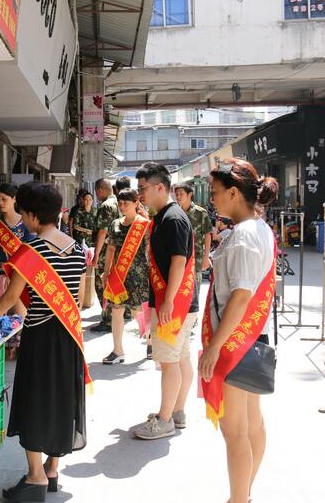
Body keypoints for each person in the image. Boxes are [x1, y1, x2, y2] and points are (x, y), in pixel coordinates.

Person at [0, 182, 88, 503]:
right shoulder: (77, 248)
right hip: (69, 336)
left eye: (23, 214)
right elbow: (77, 298)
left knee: (34, 401)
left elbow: (10, 297)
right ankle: (51, 469)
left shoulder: (32, 250)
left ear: (34, 216)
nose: (22, 220)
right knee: (62, 399)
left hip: (40, 336)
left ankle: (35, 477)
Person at [198, 158, 278, 503]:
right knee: (252, 424)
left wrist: (214, 347)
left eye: (215, 192)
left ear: (233, 193)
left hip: (236, 343)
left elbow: (242, 296)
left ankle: (238, 498)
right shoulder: (259, 228)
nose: (212, 198)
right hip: (253, 339)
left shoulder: (244, 236)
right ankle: (244, 494)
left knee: (235, 432)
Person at [132, 162, 196, 440]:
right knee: (180, 358)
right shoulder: (163, 216)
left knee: (169, 362)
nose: (139, 194)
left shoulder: (173, 219)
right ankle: (177, 411)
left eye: (143, 188)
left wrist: (168, 301)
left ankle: (165, 420)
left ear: (160, 187)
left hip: (175, 305)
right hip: (179, 302)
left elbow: (179, 261)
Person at [101, 188, 150, 364]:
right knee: (116, 310)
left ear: (136, 203)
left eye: (126, 203)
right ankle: (118, 350)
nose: (122, 207)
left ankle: (151, 341)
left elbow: (150, 251)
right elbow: (110, 249)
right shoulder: (115, 224)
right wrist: (106, 272)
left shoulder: (144, 225)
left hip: (138, 275)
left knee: (138, 311)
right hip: (118, 274)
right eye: (120, 203)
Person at [0, 183, 31, 316]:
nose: (0, 203)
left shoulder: (25, 222)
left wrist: (14, 275)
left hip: (18, 276)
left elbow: (28, 253)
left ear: (14, 199)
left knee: (21, 317)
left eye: (4, 199)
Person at [174, 182, 213, 338]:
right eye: (177, 194)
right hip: (179, 259)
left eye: (181, 194)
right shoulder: (175, 212)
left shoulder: (200, 212)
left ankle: (190, 322)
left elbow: (208, 234)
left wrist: (206, 257)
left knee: (193, 290)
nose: (178, 197)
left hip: (195, 260)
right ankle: (181, 318)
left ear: (190, 195)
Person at [92, 178, 121, 332]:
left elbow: (102, 231)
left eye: (97, 192)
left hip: (105, 251)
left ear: (100, 190)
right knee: (113, 282)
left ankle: (108, 319)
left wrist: (96, 254)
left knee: (101, 284)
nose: (97, 195)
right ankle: (115, 315)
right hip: (117, 250)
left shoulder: (106, 206)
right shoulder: (119, 203)